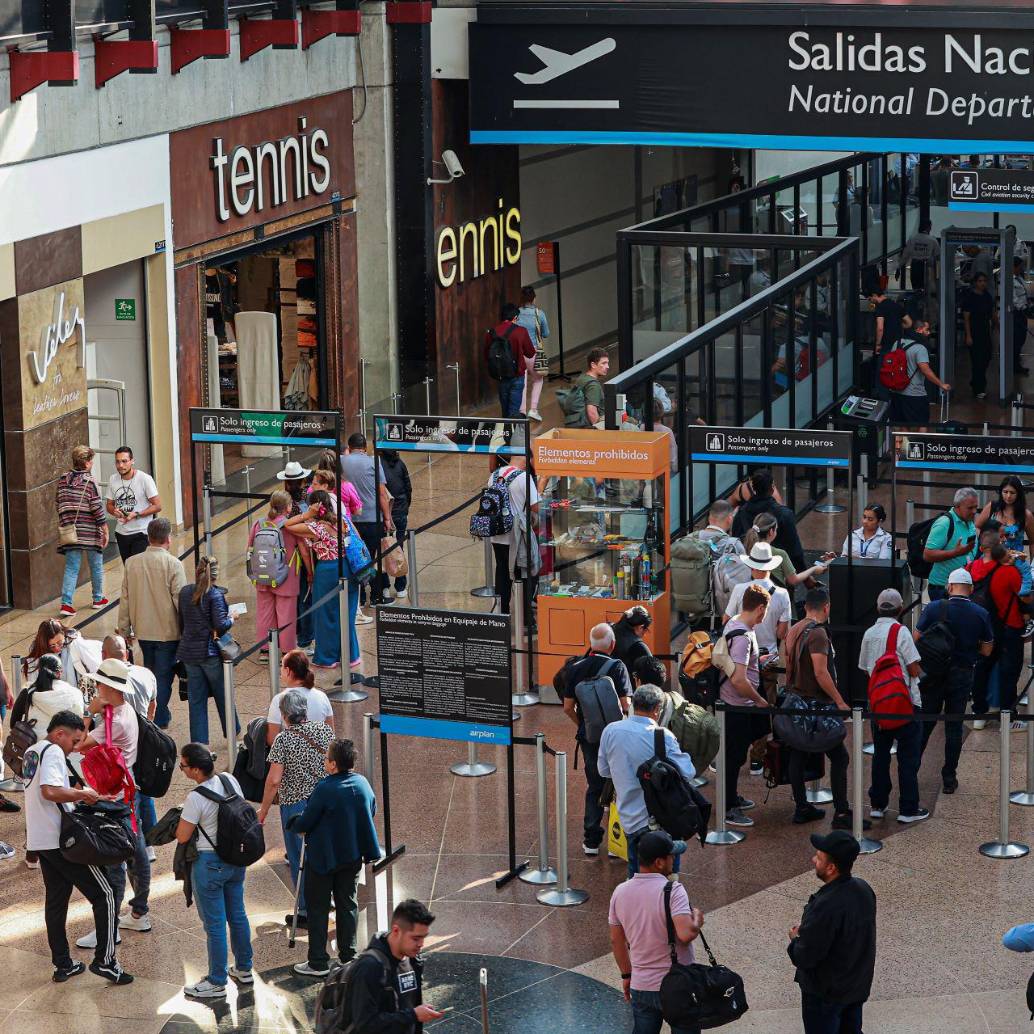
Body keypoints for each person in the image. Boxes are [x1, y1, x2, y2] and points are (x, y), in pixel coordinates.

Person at [26, 710, 133, 984]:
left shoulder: (34, 750)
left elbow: (50, 793)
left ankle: (63, 964)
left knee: (56, 902)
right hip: (63, 840)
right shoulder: (51, 751)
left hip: (42, 840)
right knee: (106, 894)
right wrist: (84, 793)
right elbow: (49, 791)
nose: (74, 748)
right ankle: (106, 961)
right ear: (59, 733)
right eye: (74, 741)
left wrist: (82, 797)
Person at [288, 737, 380, 977]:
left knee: (318, 908)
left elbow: (306, 821)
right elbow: (371, 810)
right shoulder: (362, 784)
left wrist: (295, 822)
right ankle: (348, 955)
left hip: (323, 858)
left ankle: (318, 961)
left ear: (333, 764)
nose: (325, 761)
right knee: (348, 904)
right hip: (352, 856)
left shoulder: (325, 788)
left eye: (327, 758)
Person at [78, 659, 152, 936]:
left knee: (113, 859)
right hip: (126, 792)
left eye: (99, 683)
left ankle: (110, 924)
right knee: (135, 848)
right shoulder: (124, 712)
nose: (96, 687)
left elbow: (79, 744)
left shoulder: (116, 721)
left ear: (109, 687)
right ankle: (138, 911)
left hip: (114, 797)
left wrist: (88, 712)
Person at [175, 743, 253, 1000]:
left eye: (184, 766)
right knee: (237, 915)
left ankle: (217, 980)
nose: (182, 769)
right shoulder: (229, 780)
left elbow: (183, 835)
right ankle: (244, 968)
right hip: (235, 858)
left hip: (209, 863)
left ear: (196, 770)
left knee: (215, 924)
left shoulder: (196, 797)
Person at [608, 831, 705, 1034]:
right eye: (671, 855)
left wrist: (627, 975)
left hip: (641, 985)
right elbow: (686, 934)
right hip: (678, 985)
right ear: (659, 862)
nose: (674, 859)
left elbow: (616, 941)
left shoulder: (620, 892)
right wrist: (697, 919)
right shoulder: (673, 890)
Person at [257, 689, 335, 934]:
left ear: (284, 715)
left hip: (296, 807)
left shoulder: (283, 739)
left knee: (299, 856)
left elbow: (274, 780)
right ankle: (327, 898)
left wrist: (263, 810)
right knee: (323, 851)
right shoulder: (324, 731)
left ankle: (305, 910)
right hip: (324, 801)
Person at [598, 685, 695, 879]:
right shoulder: (662, 736)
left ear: (633, 704)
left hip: (630, 818)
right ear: (658, 709)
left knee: (636, 872)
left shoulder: (611, 731)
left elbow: (603, 770)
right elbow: (688, 772)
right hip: (662, 818)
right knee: (668, 878)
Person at [788, 831, 876, 1034]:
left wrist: (795, 940)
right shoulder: (863, 890)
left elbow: (806, 956)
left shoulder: (826, 906)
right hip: (855, 987)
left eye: (818, 858)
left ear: (831, 867)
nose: (813, 860)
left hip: (825, 994)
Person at [915, 568, 994, 794]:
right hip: (961, 674)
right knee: (954, 727)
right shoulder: (980, 613)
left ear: (949, 587)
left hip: (933, 675)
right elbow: (988, 650)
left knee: (925, 724)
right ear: (969, 589)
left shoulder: (934, 608)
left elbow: (916, 639)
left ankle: (912, 771)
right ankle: (949, 777)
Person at [560, 623, 633, 856]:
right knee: (620, 784)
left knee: (594, 785)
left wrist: (583, 725)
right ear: (612, 645)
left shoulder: (574, 667)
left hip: (589, 737)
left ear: (590, 643)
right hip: (617, 737)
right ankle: (616, 841)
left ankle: (591, 840)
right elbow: (626, 705)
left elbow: (567, 707)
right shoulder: (617, 666)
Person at [784, 588, 854, 828]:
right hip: (815, 704)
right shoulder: (819, 634)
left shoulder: (794, 629)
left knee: (798, 753)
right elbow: (821, 671)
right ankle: (842, 813)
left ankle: (801, 806)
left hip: (796, 703)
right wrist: (840, 700)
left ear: (806, 607)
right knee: (840, 757)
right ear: (827, 607)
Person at [858, 589, 928, 823]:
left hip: (879, 705)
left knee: (881, 754)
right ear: (900, 609)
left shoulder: (868, 633)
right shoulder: (901, 631)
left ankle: (878, 804)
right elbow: (913, 667)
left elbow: (866, 668)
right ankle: (908, 808)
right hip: (906, 703)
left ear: (878, 608)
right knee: (908, 757)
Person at [117, 517, 186, 730]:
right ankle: (158, 718)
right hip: (168, 632)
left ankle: (155, 714)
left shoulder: (132, 563)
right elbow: (180, 601)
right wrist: (188, 631)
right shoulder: (173, 564)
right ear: (168, 538)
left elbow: (125, 598)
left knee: (149, 673)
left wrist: (123, 629)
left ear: (148, 537)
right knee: (163, 678)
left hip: (143, 631)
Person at [285, 490, 357, 673]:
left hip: (327, 571)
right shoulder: (343, 521)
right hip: (348, 568)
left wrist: (306, 515)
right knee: (346, 613)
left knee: (325, 614)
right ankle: (351, 655)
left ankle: (327, 657)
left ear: (314, 506)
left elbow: (287, 525)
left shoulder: (315, 528)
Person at [342, 899, 442, 1030]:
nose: (421, 944)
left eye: (424, 937)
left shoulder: (413, 959)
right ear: (396, 931)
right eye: (416, 938)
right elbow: (364, 1023)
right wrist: (413, 1015)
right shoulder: (369, 967)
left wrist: (415, 1015)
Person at [719, 584, 771, 828]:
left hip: (733, 702)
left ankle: (731, 797)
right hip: (738, 704)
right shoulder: (744, 636)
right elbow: (739, 679)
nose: (764, 617)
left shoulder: (735, 623)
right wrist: (760, 700)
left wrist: (756, 662)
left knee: (734, 755)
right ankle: (728, 807)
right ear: (760, 608)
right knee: (734, 757)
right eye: (765, 611)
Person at [968, 526, 1029, 723]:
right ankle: (1007, 716)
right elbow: (1025, 598)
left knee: (981, 669)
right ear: (998, 547)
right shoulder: (1008, 572)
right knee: (1009, 671)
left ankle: (979, 713)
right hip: (1010, 627)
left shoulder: (970, 568)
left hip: (982, 629)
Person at [177, 556, 239, 745]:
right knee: (223, 694)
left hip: (189, 653)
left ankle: (199, 743)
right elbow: (220, 625)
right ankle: (232, 732)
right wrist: (233, 618)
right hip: (210, 653)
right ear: (215, 574)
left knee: (196, 700)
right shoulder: (214, 595)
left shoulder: (185, 592)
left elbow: (182, 622)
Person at [340, 433, 394, 615]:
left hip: (349, 520)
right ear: (364, 447)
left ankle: (360, 597)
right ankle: (377, 596)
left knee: (355, 558)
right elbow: (382, 494)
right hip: (372, 518)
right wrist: (387, 518)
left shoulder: (341, 461)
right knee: (372, 558)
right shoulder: (374, 462)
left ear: (350, 446)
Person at [248, 489, 306, 655]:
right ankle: (286, 652)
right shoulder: (290, 525)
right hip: (286, 576)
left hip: (262, 575)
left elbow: (249, 549)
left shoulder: (258, 524)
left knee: (264, 613)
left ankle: (265, 650)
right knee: (286, 614)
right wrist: (310, 572)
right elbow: (303, 550)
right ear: (288, 508)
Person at [56, 444, 109, 616]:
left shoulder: (63, 479)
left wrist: (67, 521)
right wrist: (105, 529)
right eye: (91, 460)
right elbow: (96, 508)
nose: (92, 463)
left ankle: (66, 603)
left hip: (70, 531)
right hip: (90, 531)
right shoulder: (89, 481)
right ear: (86, 463)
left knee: (71, 567)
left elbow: (59, 503)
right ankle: (97, 598)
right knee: (96, 565)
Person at [487, 454, 539, 615]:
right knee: (523, 573)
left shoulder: (494, 476)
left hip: (497, 532)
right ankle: (526, 617)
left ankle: (503, 613)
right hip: (516, 535)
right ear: (526, 460)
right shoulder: (524, 477)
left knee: (502, 570)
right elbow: (536, 507)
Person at [731, 470, 807, 573]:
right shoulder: (784, 514)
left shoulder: (741, 513)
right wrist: (805, 577)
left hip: (749, 572)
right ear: (772, 488)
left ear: (754, 488)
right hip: (779, 573)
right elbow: (795, 551)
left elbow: (737, 543)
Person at [276, 460, 314, 650]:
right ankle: (305, 638)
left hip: (285, 559)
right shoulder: (301, 505)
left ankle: (297, 632)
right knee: (305, 598)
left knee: (294, 599)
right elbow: (302, 542)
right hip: (301, 558)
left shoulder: (281, 503)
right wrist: (309, 570)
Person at [885, 320, 950, 428]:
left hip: (896, 392)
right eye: (927, 329)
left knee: (902, 425)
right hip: (915, 393)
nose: (929, 333)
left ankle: (903, 445)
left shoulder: (898, 343)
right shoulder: (920, 348)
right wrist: (941, 384)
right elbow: (925, 370)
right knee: (922, 423)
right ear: (919, 330)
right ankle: (920, 444)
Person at [739, 512, 828, 590]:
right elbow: (793, 580)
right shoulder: (780, 554)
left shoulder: (746, 548)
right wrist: (813, 569)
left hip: (752, 593)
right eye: (776, 529)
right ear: (771, 532)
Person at [106, 445, 161, 563]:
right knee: (129, 570)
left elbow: (157, 506)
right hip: (121, 533)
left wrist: (137, 514)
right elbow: (109, 505)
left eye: (124, 461)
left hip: (141, 533)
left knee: (138, 570)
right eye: (118, 462)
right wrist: (114, 511)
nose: (120, 465)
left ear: (132, 461)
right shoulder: (113, 479)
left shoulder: (144, 479)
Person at [266, 649, 334, 745]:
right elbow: (330, 736)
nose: (280, 669)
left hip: (290, 757)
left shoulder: (279, 699)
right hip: (319, 758)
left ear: (288, 671)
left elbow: (272, 740)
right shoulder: (322, 696)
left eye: (282, 665)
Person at [923, 487, 980, 600]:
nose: (974, 511)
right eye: (970, 508)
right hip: (943, 589)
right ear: (957, 506)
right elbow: (927, 555)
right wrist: (955, 553)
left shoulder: (968, 520)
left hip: (963, 587)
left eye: (975, 507)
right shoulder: (944, 523)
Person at [484, 302, 535, 418]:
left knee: (505, 410)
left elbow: (487, 355)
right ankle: (512, 433)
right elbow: (530, 353)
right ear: (515, 317)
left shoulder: (492, 333)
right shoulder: (521, 331)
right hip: (517, 375)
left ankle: (505, 432)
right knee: (513, 412)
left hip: (501, 376)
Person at [976, 475, 1034, 562]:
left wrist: (1032, 566)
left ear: (1019, 494)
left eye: (1012, 492)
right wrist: (985, 541)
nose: (1008, 496)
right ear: (1000, 492)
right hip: (991, 560)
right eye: (1005, 492)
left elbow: (1032, 542)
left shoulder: (1026, 515)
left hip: (1014, 563)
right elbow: (977, 526)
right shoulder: (992, 507)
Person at [380, 449, 412, 601]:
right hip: (400, 511)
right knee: (399, 549)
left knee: (382, 550)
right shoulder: (401, 464)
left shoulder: (377, 465)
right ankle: (400, 586)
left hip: (382, 513)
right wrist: (405, 507)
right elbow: (408, 488)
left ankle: (384, 586)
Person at [516, 285, 551, 421]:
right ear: (534, 298)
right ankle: (533, 410)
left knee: (522, 382)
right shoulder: (539, 314)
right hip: (534, 352)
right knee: (538, 379)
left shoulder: (517, 314)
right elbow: (546, 333)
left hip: (519, 353)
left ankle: (522, 411)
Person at [25, 653, 85, 730]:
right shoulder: (74, 693)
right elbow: (80, 719)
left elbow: (14, 721)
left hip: (35, 740)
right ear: (59, 672)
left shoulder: (30, 691)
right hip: (66, 740)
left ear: (39, 670)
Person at [962, 271, 997, 399]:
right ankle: (979, 387)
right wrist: (968, 335)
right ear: (975, 283)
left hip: (985, 331)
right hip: (974, 331)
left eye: (984, 281)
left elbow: (992, 312)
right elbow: (966, 318)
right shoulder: (970, 297)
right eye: (980, 281)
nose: (983, 283)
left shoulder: (987, 296)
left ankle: (976, 380)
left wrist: (996, 325)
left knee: (987, 356)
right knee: (977, 360)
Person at [566, 347, 609, 428]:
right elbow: (592, 411)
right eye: (603, 363)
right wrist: (600, 432)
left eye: (607, 363)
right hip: (591, 427)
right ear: (593, 365)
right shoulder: (593, 385)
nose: (607, 367)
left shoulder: (582, 378)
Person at [897, 219, 938, 291]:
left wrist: (899, 267)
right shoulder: (932, 240)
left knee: (915, 289)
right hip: (926, 267)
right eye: (930, 227)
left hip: (915, 266)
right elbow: (938, 256)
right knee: (925, 289)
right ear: (928, 227)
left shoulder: (912, 239)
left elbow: (905, 256)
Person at [869, 287, 912, 355]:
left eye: (870, 299)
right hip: (898, 343)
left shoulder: (880, 307)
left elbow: (880, 328)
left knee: (884, 364)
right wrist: (897, 325)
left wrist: (878, 344)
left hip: (885, 344)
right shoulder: (897, 305)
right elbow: (909, 323)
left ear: (874, 295)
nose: (870, 301)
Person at [612, 606, 653, 676]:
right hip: (628, 685)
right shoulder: (639, 647)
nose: (644, 634)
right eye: (646, 630)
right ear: (640, 627)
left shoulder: (607, 632)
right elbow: (653, 673)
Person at [1012, 256, 1030, 376]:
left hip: (1023, 311)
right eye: (1020, 267)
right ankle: (1013, 366)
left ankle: (1016, 364)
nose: (1021, 269)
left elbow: (1025, 292)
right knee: (1016, 340)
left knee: (1021, 339)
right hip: (1016, 313)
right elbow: (1013, 299)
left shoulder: (1019, 278)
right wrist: (1021, 306)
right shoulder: (1009, 280)